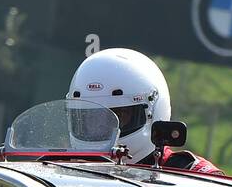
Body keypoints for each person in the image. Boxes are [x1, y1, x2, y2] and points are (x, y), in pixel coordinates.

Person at [66, 48, 221, 173]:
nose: (100, 127)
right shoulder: (62, 172)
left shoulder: (193, 176)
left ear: (153, 112)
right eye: (91, 118)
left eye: (118, 116)